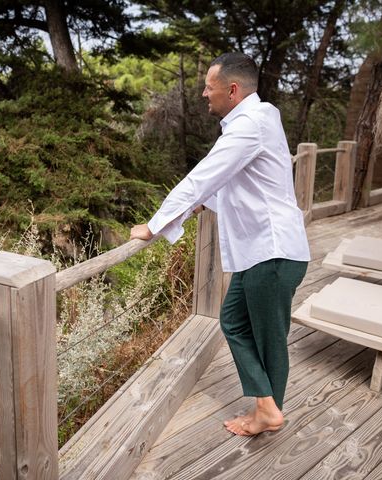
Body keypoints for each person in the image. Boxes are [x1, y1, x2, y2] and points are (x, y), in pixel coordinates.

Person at [130, 52, 310, 436]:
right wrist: (194, 208)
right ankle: (267, 408)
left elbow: (204, 175)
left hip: (272, 251)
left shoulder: (251, 124)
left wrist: (156, 225)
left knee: (269, 337)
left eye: (208, 88)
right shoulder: (259, 119)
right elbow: (231, 182)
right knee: (233, 320)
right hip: (262, 252)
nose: (202, 94)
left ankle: (267, 412)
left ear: (232, 89)